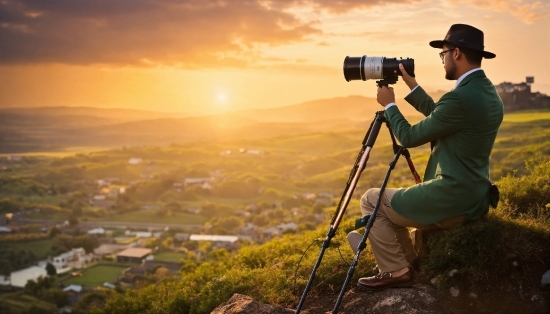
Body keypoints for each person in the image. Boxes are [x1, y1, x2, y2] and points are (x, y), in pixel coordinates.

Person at [347, 24, 504, 291]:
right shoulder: (486, 93)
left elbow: (408, 137)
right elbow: (441, 116)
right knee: (391, 205)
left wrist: (390, 105)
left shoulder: (460, 98)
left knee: (372, 200)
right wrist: (411, 84)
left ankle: (396, 269)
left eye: (442, 54)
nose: (442, 60)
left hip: (452, 197)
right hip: (475, 194)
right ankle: (406, 262)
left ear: (456, 54)